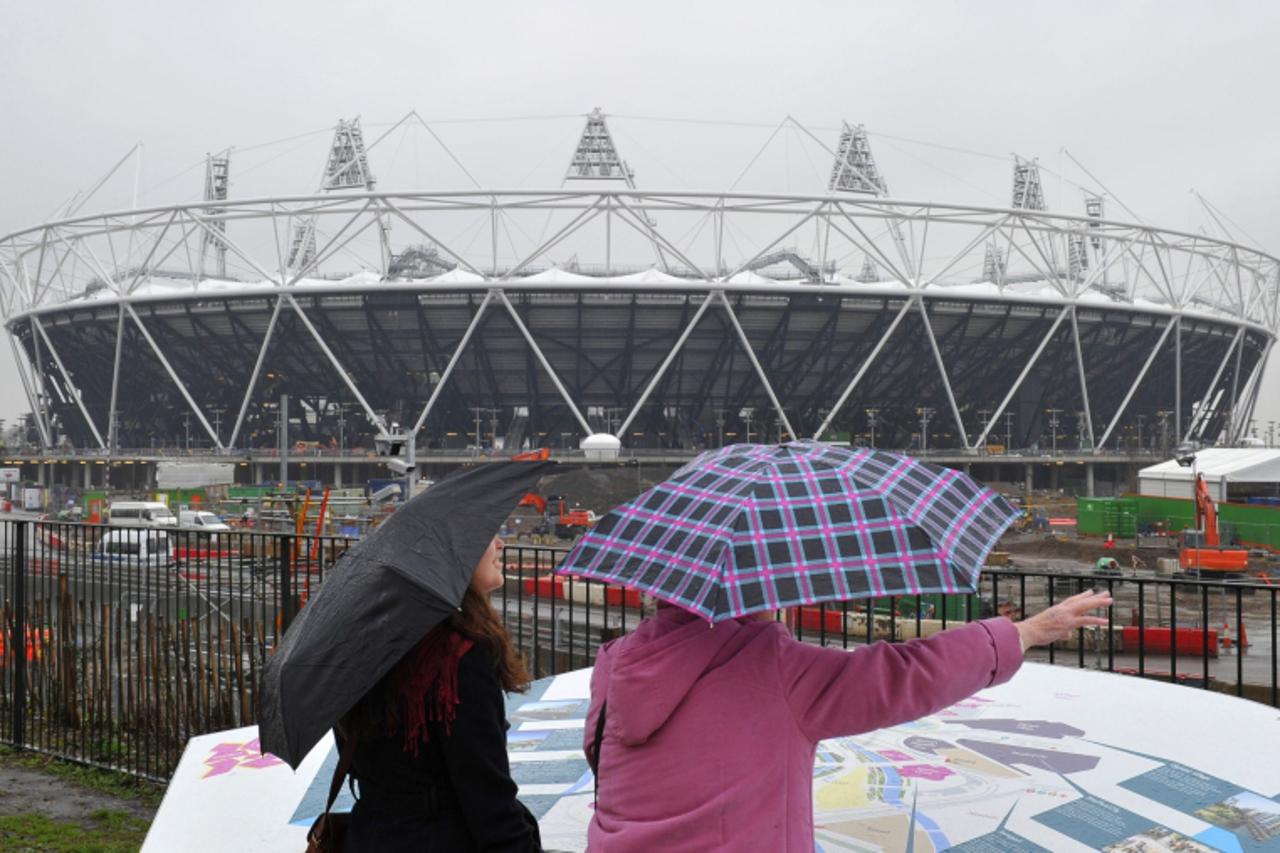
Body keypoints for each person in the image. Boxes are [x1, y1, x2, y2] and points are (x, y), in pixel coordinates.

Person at [584, 589, 1112, 852]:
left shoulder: (618, 661)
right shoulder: (777, 669)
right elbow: (905, 675)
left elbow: (601, 756)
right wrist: (1025, 632)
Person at [340, 535, 542, 852]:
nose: (500, 543)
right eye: (488, 536)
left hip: (371, 836)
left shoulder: (364, 645)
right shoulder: (459, 659)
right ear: (455, 554)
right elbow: (488, 801)